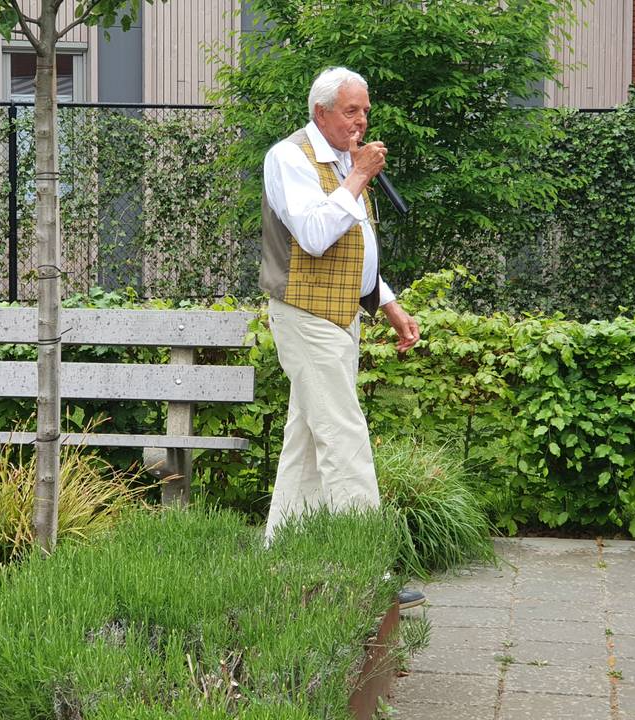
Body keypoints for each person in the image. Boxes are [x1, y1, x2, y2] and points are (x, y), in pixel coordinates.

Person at [259, 66, 425, 609]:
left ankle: (279, 556)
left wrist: (388, 302)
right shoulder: (290, 158)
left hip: (341, 315)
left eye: (365, 111)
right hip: (306, 315)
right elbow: (312, 235)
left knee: (307, 438)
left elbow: (355, 251)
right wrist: (356, 179)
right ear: (320, 113)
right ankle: (367, 570)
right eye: (352, 111)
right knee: (343, 433)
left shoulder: (342, 162)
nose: (362, 121)